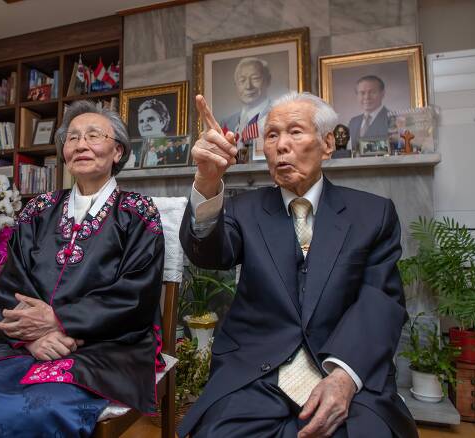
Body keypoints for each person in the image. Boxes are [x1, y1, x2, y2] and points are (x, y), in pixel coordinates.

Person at [178, 92, 417, 438]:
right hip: (254, 373)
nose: (281, 145)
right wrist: (207, 180)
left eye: (295, 132)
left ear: (327, 144)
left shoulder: (372, 214)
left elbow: (380, 301)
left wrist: (344, 376)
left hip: (344, 367)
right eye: (272, 135)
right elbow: (208, 254)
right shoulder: (243, 209)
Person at [0, 100, 165, 437]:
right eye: (72, 138)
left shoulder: (137, 213)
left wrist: (59, 320)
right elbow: (9, 285)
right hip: (26, 344)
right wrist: (33, 338)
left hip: (105, 346)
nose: (81, 145)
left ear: (117, 151)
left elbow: (136, 295)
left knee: (38, 412)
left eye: (93, 135)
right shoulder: (39, 210)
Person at [218, 57, 272, 151]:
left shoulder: (277, 116)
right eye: (242, 80)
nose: (248, 86)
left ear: (268, 80)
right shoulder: (226, 123)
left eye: (255, 78)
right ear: (236, 84)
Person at [348, 75, 390, 150]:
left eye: (372, 92)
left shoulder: (393, 119)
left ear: (382, 93)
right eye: (362, 93)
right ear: (357, 95)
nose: (367, 97)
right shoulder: (353, 122)